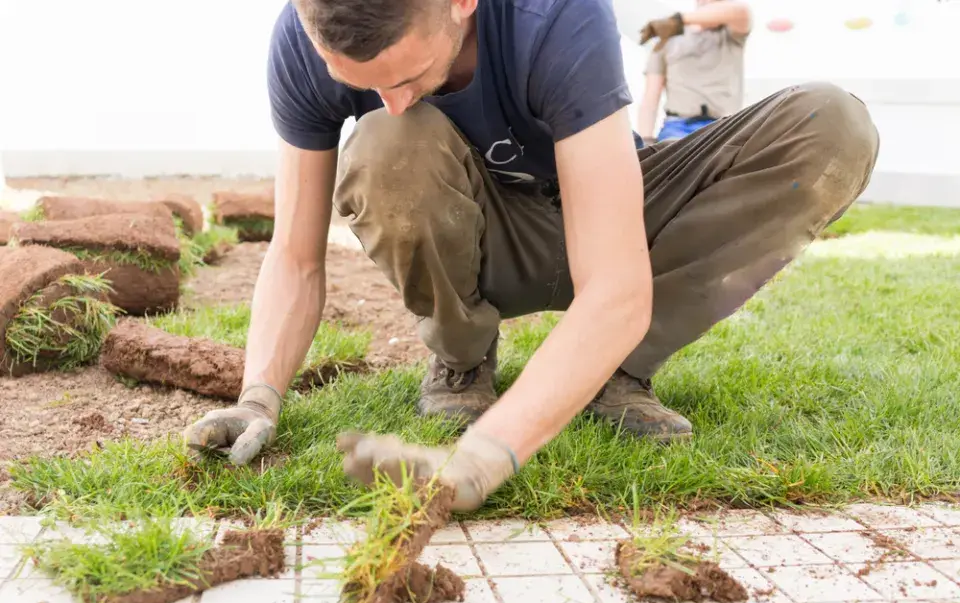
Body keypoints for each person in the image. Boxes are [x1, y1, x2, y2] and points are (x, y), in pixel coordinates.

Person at [183, 0, 878, 512]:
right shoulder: (306, 36)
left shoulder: (554, 14)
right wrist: (258, 397)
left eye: (408, 74)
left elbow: (614, 285)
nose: (390, 100)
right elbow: (296, 257)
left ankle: (615, 373)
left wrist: (479, 461)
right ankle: (461, 363)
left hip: (612, 216)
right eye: (366, 84)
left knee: (832, 126)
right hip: (482, 231)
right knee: (386, 145)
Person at [636, 1, 752, 144]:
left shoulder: (732, 35)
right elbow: (651, 97)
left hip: (724, 127)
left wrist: (677, 20)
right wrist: (645, 139)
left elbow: (740, 11)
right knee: (674, 158)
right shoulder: (667, 40)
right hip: (677, 128)